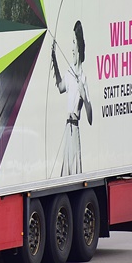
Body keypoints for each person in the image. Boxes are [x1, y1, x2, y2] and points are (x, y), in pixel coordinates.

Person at [52, 20, 92, 175]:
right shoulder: (69, 73)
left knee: (74, 169)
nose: (72, 48)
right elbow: (61, 87)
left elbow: (90, 117)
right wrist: (54, 60)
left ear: (80, 46)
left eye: (74, 42)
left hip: (75, 128)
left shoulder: (83, 78)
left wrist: (85, 97)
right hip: (66, 127)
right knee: (65, 171)